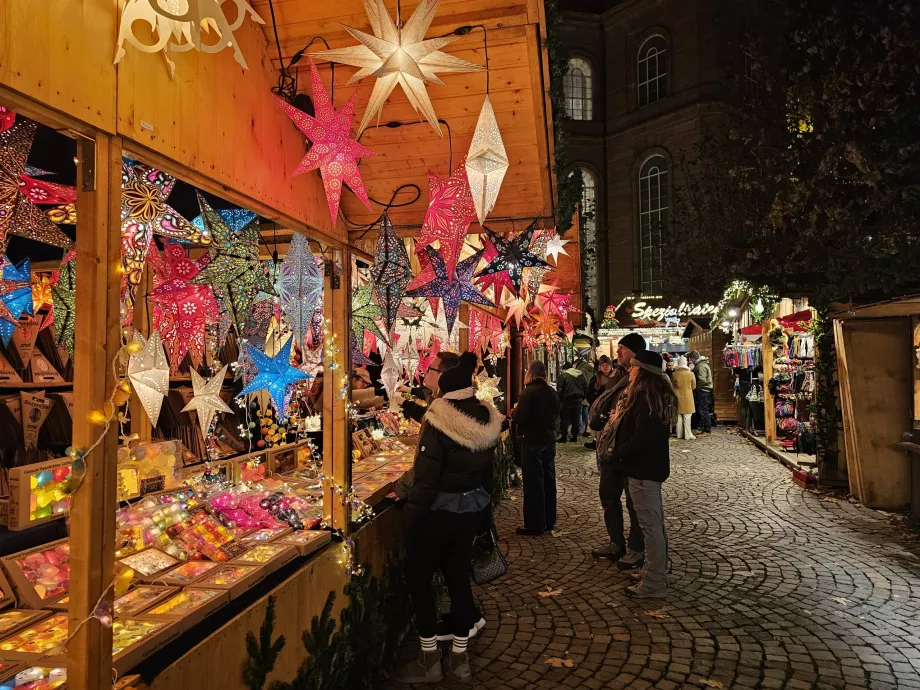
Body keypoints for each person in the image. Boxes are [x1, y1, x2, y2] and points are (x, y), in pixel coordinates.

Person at [394, 353, 503, 684]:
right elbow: (486, 475)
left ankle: (429, 659)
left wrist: (409, 520)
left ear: (445, 387)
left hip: (437, 514)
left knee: (420, 580)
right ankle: (459, 658)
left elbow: (426, 479)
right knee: (458, 578)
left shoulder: (440, 418)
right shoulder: (486, 417)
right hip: (470, 511)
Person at [597, 350, 675, 598]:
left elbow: (642, 438)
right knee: (654, 525)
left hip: (643, 470)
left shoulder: (645, 398)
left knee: (650, 527)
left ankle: (654, 582)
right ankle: (653, 571)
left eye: (633, 367)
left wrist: (616, 452)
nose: (629, 371)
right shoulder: (653, 395)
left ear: (642, 370)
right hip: (648, 468)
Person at [591, 332, 646, 569]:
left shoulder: (642, 379)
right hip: (610, 448)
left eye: (622, 348)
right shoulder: (615, 376)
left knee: (634, 503)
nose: (617, 353)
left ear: (634, 352)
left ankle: (636, 548)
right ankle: (616, 542)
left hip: (629, 450)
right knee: (609, 497)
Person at [511, 360, 559, 536]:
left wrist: (514, 412)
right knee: (548, 479)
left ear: (530, 374)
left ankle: (535, 524)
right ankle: (549, 520)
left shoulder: (528, 392)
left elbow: (521, 416)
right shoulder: (551, 392)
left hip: (532, 441)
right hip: (548, 439)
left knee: (533, 482)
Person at [400, 351, 461, 423]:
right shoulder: (441, 399)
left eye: (429, 369)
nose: (425, 372)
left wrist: (404, 403)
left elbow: (428, 419)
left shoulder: (450, 409)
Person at [556, 361, 587, 442]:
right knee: (576, 418)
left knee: (564, 418)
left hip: (566, 400)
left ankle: (564, 436)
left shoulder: (563, 376)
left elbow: (560, 389)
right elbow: (585, 387)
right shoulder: (580, 375)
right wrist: (582, 397)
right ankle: (574, 436)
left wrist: (560, 399)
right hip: (578, 400)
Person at [688, 350, 713, 437]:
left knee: (703, 410)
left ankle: (707, 430)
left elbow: (702, 380)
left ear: (694, 358)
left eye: (691, 359)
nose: (690, 361)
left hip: (703, 390)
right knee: (703, 409)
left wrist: (696, 388)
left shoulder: (701, 366)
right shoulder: (702, 364)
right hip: (704, 390)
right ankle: (705, 429)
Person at [672, 356, 696, 440]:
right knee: (687, 416)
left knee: (678, 415)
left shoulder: (674, 374)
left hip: (677, 396)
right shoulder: (691, 374)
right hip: (688, 396)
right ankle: (687, 434)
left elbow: (672, 386)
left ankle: (679, 434)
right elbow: (694, 386)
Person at [575, 357, 595, 437]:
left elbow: (582, 382)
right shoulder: (589, 369)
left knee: (579, 412)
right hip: (588, 392)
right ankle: (588, 428)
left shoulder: (581, 370)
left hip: (582, 393)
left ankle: (579, 430)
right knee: (586, 412)